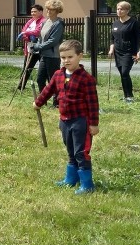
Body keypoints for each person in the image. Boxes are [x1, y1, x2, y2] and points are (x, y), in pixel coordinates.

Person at [34, 39, 99, 194]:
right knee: (70, 150)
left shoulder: (86, 79)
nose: (66, 61)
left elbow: (93, 103)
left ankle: (87, 185)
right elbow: (48, 90)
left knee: (81, 152)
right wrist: (38, 102)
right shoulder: (58, 75)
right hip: (64, 120)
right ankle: (71, 179)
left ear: (80, 56)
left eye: (70, 57)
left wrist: (94, 124)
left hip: (80, 121)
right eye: (63, 58)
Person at [31, 0, 65, 104]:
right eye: (47, 8)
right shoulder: (45, 22)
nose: (48, 11)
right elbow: (41, 37)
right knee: (40, 79)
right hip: (44, 55)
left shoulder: (58, 23)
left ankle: (57, 102)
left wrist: (38, 47)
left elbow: (53, 41)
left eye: (51, 9)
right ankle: (43, 100)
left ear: (57, 10)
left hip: (53, 55)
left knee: (53, 81)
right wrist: (35, 41)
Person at [108, 1, 140, 103]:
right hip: (118, 52)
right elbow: (112, 39)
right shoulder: (115, 23)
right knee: (122, 74)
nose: (119, 11)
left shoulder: (133, 23)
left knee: (125, 72)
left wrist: (138, 53)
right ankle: (126, 95)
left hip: (129, 52)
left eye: (122, 9)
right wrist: (111, 49)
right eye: (118, 9)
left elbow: (138, 38)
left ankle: (130, 96)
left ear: (127, 11)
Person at [15, 4, 45, 89]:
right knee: (27, 67)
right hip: (30, 48)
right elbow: (24, 30)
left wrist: (27, 33)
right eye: (32, 11)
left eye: (35, 11)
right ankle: (21, 86)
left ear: (41, 12)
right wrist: (27, 36)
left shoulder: (43, 21)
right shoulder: (30, 21)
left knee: (44, 68)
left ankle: (47, 87)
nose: (33, 13)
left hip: (40, 49)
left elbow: (37, 31)